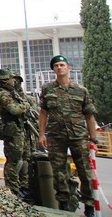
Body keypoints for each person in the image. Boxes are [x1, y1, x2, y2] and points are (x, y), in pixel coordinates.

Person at [38, 54, 98, 216]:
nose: (59, 67)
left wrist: (94, 138)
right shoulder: (47, 89)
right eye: (56, 66)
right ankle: (64, 205)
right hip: (56, 137)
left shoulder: (81, 90)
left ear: (68, 68)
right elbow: (43, 112)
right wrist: (41, 134)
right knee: (59, 172)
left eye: (62, 65)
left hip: (79, 136)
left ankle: (89, 206)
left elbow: (89, 115)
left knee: (85, 171)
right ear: (53, 70)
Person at [0, 68, 35, 200]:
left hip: (20, 128)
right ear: (6, 80)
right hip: (12, 130)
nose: (14, 81)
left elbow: (29, 102)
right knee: (14, 161)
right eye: (13, 79)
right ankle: (13, 190)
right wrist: (26, 106)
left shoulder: (13, 92)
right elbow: (15, 109)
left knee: (25, 158)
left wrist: (20, 89)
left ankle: (23, 187)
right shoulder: (2, 94)